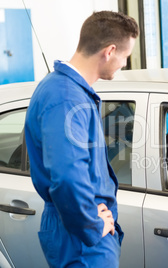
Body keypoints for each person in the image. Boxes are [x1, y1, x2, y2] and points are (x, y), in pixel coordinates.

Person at [24, 11, 139, 267]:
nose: (124, 64)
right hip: (80, 237)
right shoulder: (66, 98)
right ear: (109, 51)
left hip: (79, 227)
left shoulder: (66, 89)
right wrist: (91, 224)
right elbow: (66, 175)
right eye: (125, 56)